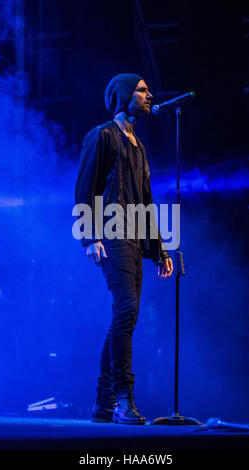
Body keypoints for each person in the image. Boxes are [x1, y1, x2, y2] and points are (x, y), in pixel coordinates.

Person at [75, 73, 173, 425]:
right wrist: (90, 237)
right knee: (127, 311)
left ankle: (103, 404)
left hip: (134, 239)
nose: (149, 95)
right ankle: (122, 400)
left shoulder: (139, 146)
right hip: (111, 236)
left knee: (123, 318)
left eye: (148, 91)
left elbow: (146, 202)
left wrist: (160, 249)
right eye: (142, 90)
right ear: (123, 95)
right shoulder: (102, 136)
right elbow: (84, 187)